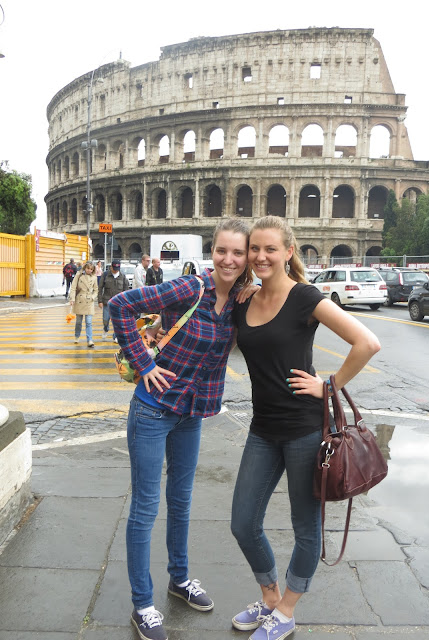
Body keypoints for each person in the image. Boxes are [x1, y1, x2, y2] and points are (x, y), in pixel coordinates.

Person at [230, 216, 381, 640]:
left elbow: (367, 342)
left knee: (305, 528)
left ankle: (287, 610)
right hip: (263, 429)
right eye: (255, 248)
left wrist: (329, 385)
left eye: (270, 249)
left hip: (304, 431)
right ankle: (270, 597)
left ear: (288, 252)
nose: (261, 256)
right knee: (243, 523)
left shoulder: (304, 297)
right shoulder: (245, 299)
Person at [108, 218, 256, 640]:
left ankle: (179, 578)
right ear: (212, 252)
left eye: (238, 253)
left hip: (191, 413)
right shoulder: (191, 288)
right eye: (222, 250)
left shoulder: (241, 301)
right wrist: (144, 364)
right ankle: (143, 604)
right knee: (145, 507)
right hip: (153, 410)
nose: (229, 260)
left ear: (247, 257)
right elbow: (121, 306)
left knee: (182, 500)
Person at [98, 260, 130, 342]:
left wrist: (125, 302)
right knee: (106, 319)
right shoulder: (105, 275)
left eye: (117, 269)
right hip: (107, 301)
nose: (116, 271)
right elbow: (100, 288)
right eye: (114, 269)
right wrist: (100, 301)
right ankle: (105, 329)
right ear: (111, 267)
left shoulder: (122, 276)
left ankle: (116, 336)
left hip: (118, 303)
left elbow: (126, 290)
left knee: (117, 321)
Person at [68, 260, 98, 347]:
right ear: (85, 268)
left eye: (91, 269)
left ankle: (90, 340)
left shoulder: (94, 277)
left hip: (89, 301)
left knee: (88, 322)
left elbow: (96, 290)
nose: (89, 270)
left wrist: (93, 297)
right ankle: (77, 336)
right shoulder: (79, 275)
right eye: (88, 268)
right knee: (78, 321)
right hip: (80, 299)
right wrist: (72, 298)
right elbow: (73, 287)